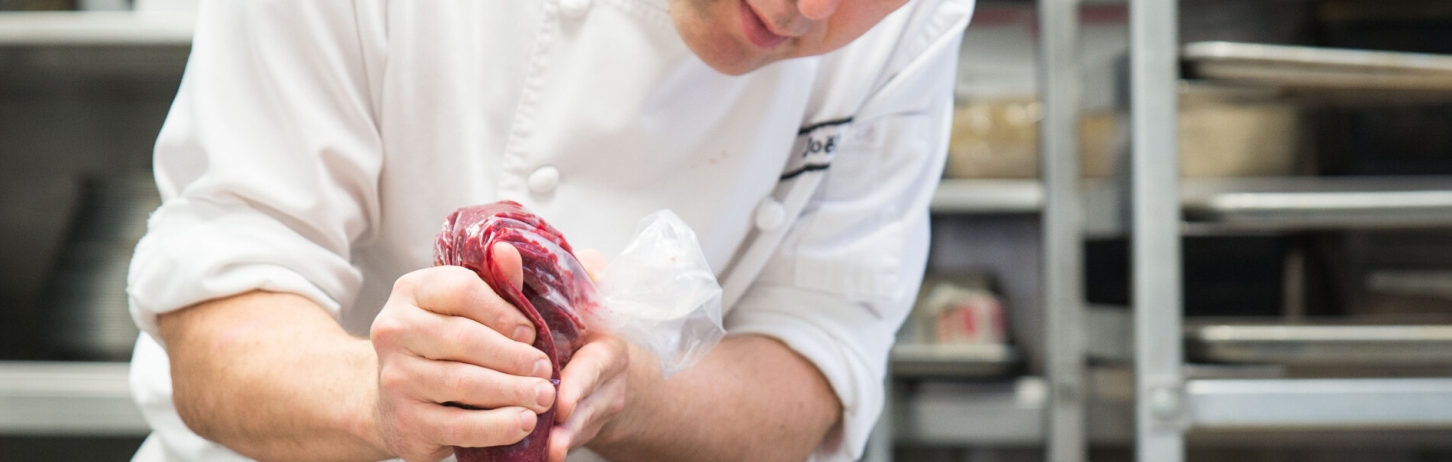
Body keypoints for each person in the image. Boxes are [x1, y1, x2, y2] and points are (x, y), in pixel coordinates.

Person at [124, 0, 971, 460]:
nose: (809, 7)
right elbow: (216, 318)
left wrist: (632, 390)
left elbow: (815, 365)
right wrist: (378, 399)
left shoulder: (918, 24)